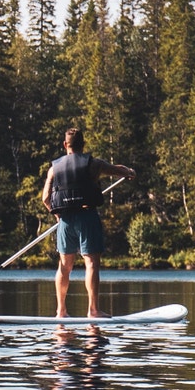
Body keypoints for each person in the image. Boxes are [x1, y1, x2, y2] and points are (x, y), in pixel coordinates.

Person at [39, 127, 135, 318]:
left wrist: (57, 215)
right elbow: (119, 170)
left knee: (64, 266)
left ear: (65, 145)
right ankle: (93, 310)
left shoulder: (53, 169)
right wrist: (130, 171)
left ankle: (61, 311)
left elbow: (45, 198)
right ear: (83, 144)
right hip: (87, 217)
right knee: (91, 263)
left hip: (66, 220)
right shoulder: (94, 164)